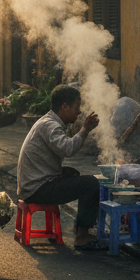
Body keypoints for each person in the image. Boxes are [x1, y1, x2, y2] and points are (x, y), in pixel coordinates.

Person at [16, 85, 108, 251]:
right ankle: (82, 236)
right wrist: (85, 130)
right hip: (37, 188)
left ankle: (81, 227)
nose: (78, 112)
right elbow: (68, 148)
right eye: (76, 107)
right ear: (64, 106)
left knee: (75, 175)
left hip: (33, 185)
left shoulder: (48, 122)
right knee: (90, 183)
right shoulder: (50, 125)